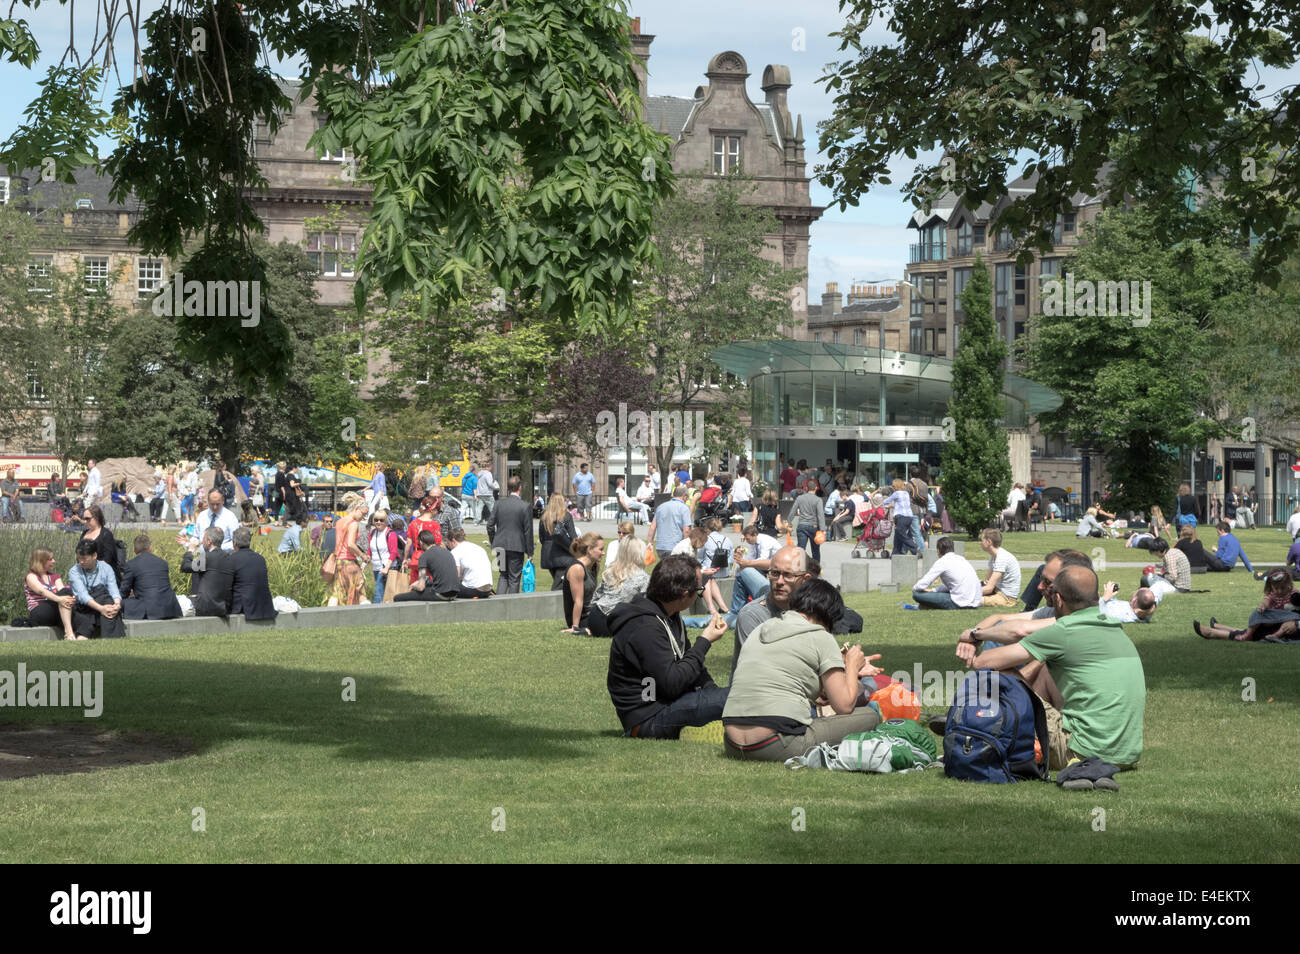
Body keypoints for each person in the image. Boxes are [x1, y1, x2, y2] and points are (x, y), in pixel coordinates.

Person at [970, 565, 1146, 772]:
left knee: (995, 672)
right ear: (1097, 596)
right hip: (1124, 755)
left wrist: (973, 638)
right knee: (1046, 668)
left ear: (1059, 600)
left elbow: (983, 663)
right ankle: (983, 725)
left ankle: (977, 728)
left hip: (1080, 754)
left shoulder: (1063, 631)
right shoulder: (1114, 628)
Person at [723, 579, 883, 762]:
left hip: (732, 743)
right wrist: (853, 666)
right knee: (870, 715)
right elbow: (844, 705)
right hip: (775, 743)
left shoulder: (760, 629)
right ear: (829, 616)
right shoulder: (820, 636)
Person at [606, 554, 730, 739]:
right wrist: (704, 642)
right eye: (699, 589)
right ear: (684, 595)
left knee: (736, 695)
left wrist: (713, 694)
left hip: (672, 702)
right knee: (741, 697)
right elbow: (671, 683)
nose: (699, 594)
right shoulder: (644, 627)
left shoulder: (670, 614)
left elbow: (690, 665)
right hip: (648, 718)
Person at [733, 546, 814, 677]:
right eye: (774, 573)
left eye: (788, 575)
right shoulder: (752, 615)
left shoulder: (812, 611)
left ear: (805, 579)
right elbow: (759, 671)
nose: (779, 582)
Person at [1195, 569, 1300, 642]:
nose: (1280, 591)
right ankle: (1221, 629)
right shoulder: (1272, 594)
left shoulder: (1294, 593)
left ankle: (1214, 632)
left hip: (1287, 622)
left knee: (1260, 633)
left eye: (1283, 588)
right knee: (1258, 618)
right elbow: (1266, 602)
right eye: (1276, 588)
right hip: (1275, 620)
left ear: (1289, 585)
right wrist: (1263, 606)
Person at [590, 536, 650, 638]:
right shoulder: (643, 578)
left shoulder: (611, 570)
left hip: (595, 617)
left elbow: (596, 596)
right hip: (614, 621)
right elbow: (644, 607)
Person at [68, 538, 126, 639]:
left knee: (107, 599)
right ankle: (112, 637)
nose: (81, 562)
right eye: (79, 558)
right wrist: (101, 609)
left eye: (84, 558)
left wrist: (117, 604)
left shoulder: (106, 568)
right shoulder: (74, 571)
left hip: (103, 603)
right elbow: (83, 596)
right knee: (105, 598)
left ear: (94, 556)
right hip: (84, 606)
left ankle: (86, 636)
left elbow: (113, 589)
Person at [486, 475, 533, 594]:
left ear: (508, 489)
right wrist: (530, 552)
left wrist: (494, 541)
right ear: (520, 487)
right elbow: (528, 530)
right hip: (516, 546)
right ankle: (512, 609)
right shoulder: (525, 506)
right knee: (514, 579)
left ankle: (499, 605)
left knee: (503, 576)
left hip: (500, 545)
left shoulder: (498, 504)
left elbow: (489, 525)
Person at [727, 523, 780, 624]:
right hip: (767, 571)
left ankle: (736, 612)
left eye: (748, 539)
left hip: (771, 570)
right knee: (741, 569)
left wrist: (747, 564)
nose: (747, 541)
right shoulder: (753, 544)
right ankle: (737, 612)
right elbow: (751, 558)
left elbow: (764, 560)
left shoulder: (765, 541)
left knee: (742, 570)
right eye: (746, 539)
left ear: (755, 534)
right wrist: (743, 560)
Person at [121, 534, 183, 620]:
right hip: (169, 607)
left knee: (120, 602)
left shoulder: (131, 564)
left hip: (149, 608)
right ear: (150, 548)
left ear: (134, 550)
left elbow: (124, 591)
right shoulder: (163, 563)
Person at [912, 536, 983, 609]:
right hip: (975, 601)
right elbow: (954, 583)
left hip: (961, 602)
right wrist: (933, 590)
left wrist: (914, 588)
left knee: (917, 595)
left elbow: (924, 582)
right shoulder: (961, 559)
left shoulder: (942, 562)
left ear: (938, 550)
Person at [24, 548, 80, 639]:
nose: (54, 561)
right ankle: (69, 632)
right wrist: (60, 599)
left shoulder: (55, 576)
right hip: (39, 612)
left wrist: (71, 599)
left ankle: (75, 633)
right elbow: (41, 591)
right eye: (50, 559)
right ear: (40, 561)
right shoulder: (31, 576)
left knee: (67, 592)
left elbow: (63, 593)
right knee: (65, 594)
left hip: (54, 610)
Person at [181, 527, 237, 618]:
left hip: (205, 606)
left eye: (203, 538)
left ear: (209, 541)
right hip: (223, 607)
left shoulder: (207, 557)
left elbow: (185, 567)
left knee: (178, 600)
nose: (202, 541)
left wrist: (190, 550)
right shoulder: (229, 558)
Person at [394, 530, 461, 602]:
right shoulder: (447, 552)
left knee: (398, 597)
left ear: (421, 542)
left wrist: (413, 586)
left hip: (441, 594)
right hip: (455, 593)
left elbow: (420, 587)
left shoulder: (424, 556)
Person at [229, 527, 277, 621]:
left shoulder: (232, 559)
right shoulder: (260, 558)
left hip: (244, 607)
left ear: (234, 543)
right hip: (263, 606)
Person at [561, 532, 604, 634]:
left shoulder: (595, 566)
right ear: (589, 549)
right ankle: (585, 630)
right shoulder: (577, 568)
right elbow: (578, 600)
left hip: (592, 613)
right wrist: (575, 627)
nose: (603, 553)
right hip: (581, 618)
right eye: (601, 549)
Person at [332, 499, 369, 605]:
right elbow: (350, 544)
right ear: (356, 509)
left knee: (336, 593)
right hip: (349, 561)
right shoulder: (353, 524)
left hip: (338, 562)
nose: (363, 517)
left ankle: (328, 616)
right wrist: (362, 555)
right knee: (360, 591)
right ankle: (368, 617)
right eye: (363, 514)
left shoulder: (339, 521)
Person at [539, 492, 577, 591]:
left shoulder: (544, 516)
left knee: (560, 583)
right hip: (563, 555)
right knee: (558, 587)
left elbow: (541, 537)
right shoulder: (566, 516)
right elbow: (573, 537)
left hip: (547, 555)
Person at [406, 493, 444, 585]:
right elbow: (438, 544)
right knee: (428, 583)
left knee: (415, 582)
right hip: (430, 558)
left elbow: (408, 543)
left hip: (416, 557)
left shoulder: (413, 523)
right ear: (433, 510)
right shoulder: (435, 525)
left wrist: (405, 558)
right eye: (438, 510)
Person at [79, 504, 123, 583]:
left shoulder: (106, 534)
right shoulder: (84, 533)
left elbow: (107, 560)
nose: (85, 521)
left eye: (88, 519)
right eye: (84, 519)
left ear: (96, 517)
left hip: (104, 577)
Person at [648, 485, 693, 561]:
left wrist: (650, 543)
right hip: (676, 547)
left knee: (665, 570)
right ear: (684, 496)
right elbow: (686, 530)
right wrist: (686, 546)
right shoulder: (684, 508)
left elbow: (652, 527)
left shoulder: (661, 507)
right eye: (687, 498)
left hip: (661, 547)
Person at [978, 528, 1021, 607]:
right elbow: (987, 582)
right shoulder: (994, 556)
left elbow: (989, 588)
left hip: (1006, 598)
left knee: (972, 601)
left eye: (981, 540)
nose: (980, 543)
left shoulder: (1002, 558)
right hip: (997, 591)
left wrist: (967, 594)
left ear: (989, 542)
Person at [447, 529, 495, 599]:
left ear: (453, 541)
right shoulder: (478, 547)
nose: (448, 546)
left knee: (447, 587)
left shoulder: (455, 551)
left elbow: (456, 576)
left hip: (474, 590)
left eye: (448, 543)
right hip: (488, 589)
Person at [366, 509, 399, 603]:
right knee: (385, 594)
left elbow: (393, 553)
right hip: (376, 568)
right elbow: (370, 551)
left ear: (386, 521)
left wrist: (386, 568)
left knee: (378, 594)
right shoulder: (372, 533)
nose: (378, 522)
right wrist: (364, 563)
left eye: (381, 520)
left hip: (387, 568)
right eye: (376, 520)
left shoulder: (390, 534)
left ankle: (375, 614)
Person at [790, 480, 826, 561]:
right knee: (815, 550)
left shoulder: (799, 498)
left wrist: (788, 522)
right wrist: (823, 529)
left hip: (802, 525)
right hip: (814, 526)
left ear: (806, 488)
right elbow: (820, 515)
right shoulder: (818, 500)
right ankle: (816, 569)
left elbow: (793, 511)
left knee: (801, 549)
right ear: (816, 488)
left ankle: (799, 568)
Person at [883, 478, 917, 555]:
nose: (892, 487)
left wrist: (882, 502)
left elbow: (886, 501)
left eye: (893, 486)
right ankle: (896, 553)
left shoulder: (896, 493)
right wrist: (892, 506)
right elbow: (902, 505)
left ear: (896, 486)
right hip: (909, 517)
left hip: (901, 517)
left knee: (901, 533)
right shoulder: (906, 493)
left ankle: (914, 547)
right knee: (897, 535)